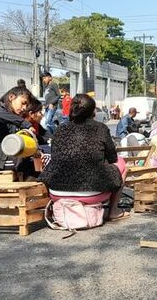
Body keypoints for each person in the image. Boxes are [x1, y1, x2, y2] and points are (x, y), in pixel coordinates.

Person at [39, 94, 129, 222]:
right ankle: (113, 211)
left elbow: (56, 156)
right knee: (121, 163)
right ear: (93, 111)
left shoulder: (60, 129)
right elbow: (112, 157)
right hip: (92, 193)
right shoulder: (100, 128)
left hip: (57, 192)